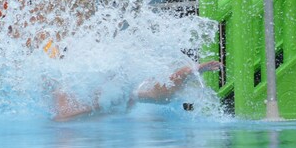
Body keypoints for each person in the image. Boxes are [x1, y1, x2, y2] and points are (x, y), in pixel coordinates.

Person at [51, 60, 222, 121]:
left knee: (161, 97)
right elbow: (62, 118)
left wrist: (186, 73)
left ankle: (186, 72)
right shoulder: (65, 86)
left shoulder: (114, 90)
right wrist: (99, 106)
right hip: (88, 122)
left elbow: (160, 95)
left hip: (106, 121)